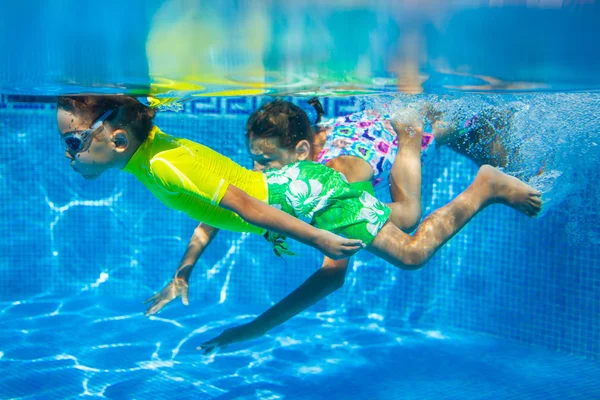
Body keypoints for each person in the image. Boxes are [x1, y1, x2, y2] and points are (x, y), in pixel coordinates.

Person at [90, 96, 542, 353]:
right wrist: (183, 270)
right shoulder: (289, 175)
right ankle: (451, 134)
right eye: (255, 160)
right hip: (349, 137)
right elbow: (221, 216)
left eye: (267, 161)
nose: (260, 171)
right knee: (412, 202)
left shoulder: (331, 180)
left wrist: (255, 328)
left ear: (302, 153)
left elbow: (331, 276)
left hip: (374, 151)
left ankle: (446, 153)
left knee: (407, 223)